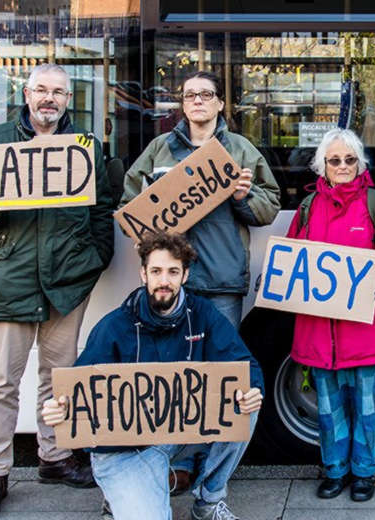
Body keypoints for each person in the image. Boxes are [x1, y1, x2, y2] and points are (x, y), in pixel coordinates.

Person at [0, 63, 115, 520]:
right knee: (2, 383)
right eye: (42, 90)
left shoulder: (86, 146)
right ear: (27, 94)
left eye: (59, 92)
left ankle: (55, 457)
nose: (50, 99)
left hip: (67, 284)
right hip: (10, 279)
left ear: (69, 99)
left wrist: (95, 258)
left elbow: (101, 207)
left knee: (58, 379)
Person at [122, 70, 279, 490]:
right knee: (174, 375)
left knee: (220, 377)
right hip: (171, 285)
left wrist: (244, 197)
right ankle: (180, 462)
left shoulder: (240, 150)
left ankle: (212, 469)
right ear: (183, 103)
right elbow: (130, 209)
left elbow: (269, 206)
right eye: (190, 95)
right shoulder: (160, 149)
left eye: (206, 94)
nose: (198, 101)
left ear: (220, 104)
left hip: (222, 282)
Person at [41, 232, 265, 520]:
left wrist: (250, 389)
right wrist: (60, 407)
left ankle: (209, 502)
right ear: (143, 274)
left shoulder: (202, 314)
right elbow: (78, 389)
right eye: (156, 271)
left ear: (185, 275)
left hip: (178, 433)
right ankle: (120, 493)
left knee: (244, 406)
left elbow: (244, 365)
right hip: (126, 449)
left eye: (173, 272)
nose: (164, 281)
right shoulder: (114, 326)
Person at [284, 128, 375, 502]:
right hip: (321, 332)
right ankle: (335, 471)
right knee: (328, 408)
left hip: (369, 329)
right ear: (322, 165)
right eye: (334, 160)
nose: (342, 166)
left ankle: (364, 474)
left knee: (369, 408)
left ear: (360, 163)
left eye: (349, 160)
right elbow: (292, 257)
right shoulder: (308, 209)